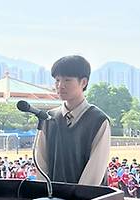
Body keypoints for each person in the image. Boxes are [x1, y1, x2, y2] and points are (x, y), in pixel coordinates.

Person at [35, 55, 111, 185]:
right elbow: (41, 163)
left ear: (83, 82)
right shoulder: (48, 119)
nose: (60, 86)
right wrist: (45, 193)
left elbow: (95, 171)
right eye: (57, 80)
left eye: (67, 80)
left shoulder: (98, 121)